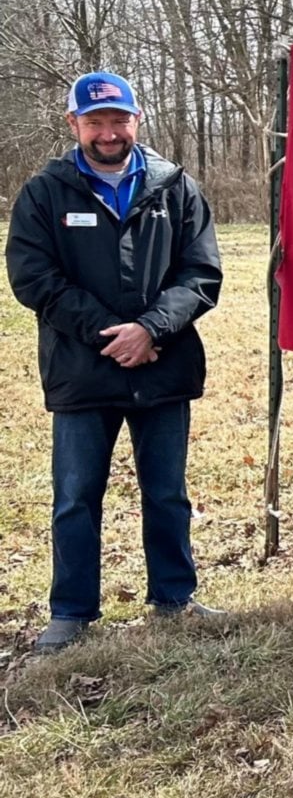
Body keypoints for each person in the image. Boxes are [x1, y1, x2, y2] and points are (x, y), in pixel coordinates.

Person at [6, 72, 225, 652]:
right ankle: (72, 611)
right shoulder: (45, 193)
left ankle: (174, 599)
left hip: (163, 363)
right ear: (74, 124)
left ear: (137, 120)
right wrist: (114, 335)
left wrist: (151, 330)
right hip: (82, 369)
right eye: (95, 121)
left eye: (118, 119)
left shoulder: (175, 187)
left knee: (168, 492)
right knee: (76, 496)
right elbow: (34, 280)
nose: (108, 132)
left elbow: (201, 275)